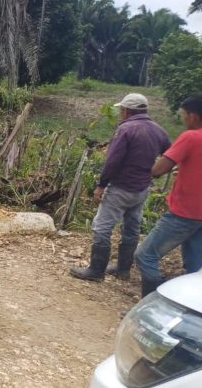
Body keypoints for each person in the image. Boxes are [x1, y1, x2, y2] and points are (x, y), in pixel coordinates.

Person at [70, 93, 171, 282]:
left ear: (126, 110)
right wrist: (154, 172)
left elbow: (112, 161)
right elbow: (171, 155)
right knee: (131, 229)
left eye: (121, 110)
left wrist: (101, 186)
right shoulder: (159, 131)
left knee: (102, 228)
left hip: (120, 188)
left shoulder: (126, 129)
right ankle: (123, 270)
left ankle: (96, 271)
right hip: (141, 190)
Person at [135, 95, 202, 297]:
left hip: (185, 212)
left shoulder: (191, 137)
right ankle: (190, 312)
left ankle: (151, 305)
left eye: (183, 116)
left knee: (145, 255)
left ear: (192, 116)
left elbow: (158, 170)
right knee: (195, 266)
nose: (183, 120)